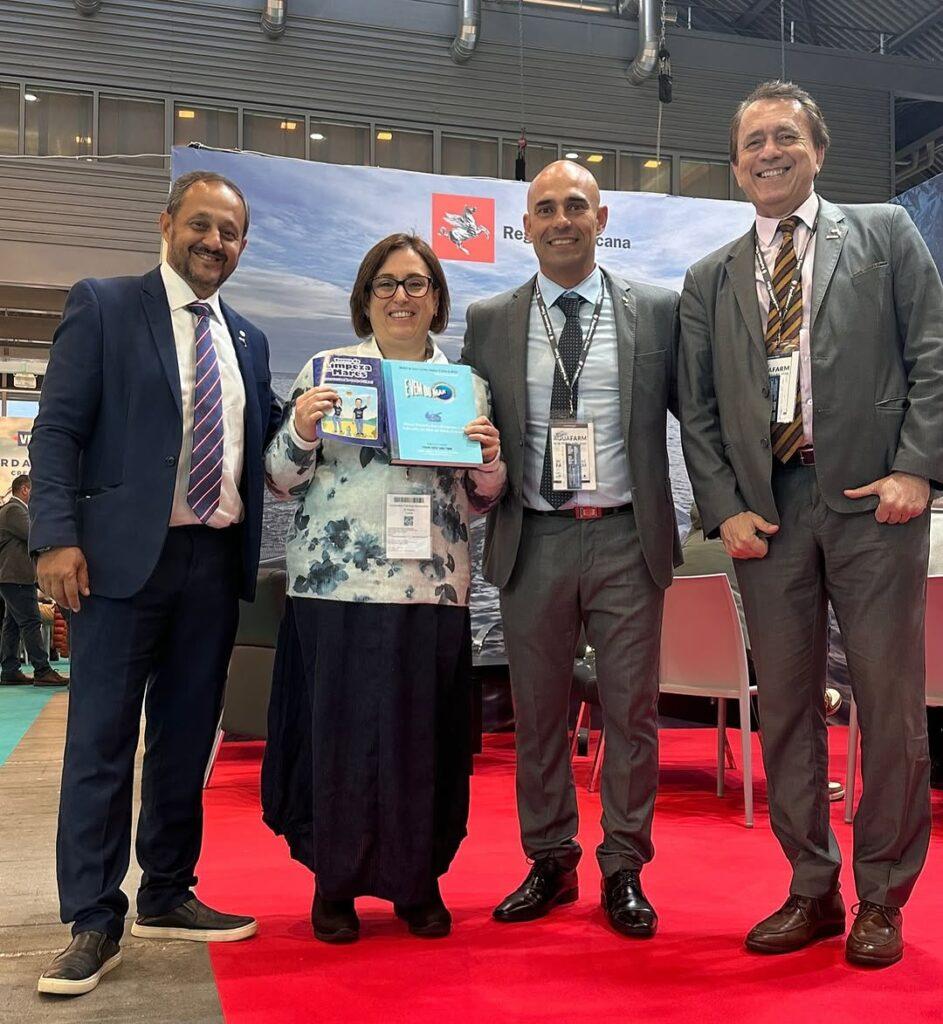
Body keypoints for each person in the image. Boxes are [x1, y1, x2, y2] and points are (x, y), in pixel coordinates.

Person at [679, 80, 943, 968]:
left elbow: (933, 351)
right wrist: (724, 510)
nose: (767, 153)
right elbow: (699, 409)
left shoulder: (883, 235)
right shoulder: (708, 277)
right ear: (735, 163)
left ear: (817, 151)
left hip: (876, 502)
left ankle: (881, 896)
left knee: (890, 703)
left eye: (784, 137)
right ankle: (809, 887)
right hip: (769, 519)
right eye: (751, 142)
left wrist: (915, 467)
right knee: (787, 711)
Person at [29, 170, 282, 996]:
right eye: (202, 226)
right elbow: (59, 430)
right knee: (99, 741)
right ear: (166, 223)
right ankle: (93, 918)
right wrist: (55, 537)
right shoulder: (104, 304)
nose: (215, 243)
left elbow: (273, 438)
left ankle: (167, 892)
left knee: (184, 741)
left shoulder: (248, 340)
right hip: (114, 565)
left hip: (211, 566)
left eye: (231, 233)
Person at [261, 233, 506, 943]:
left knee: (420, 741)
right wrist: (301, 431)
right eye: (387, 284)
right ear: (365, 298)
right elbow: (279, 479)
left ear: (436, 299)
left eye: (417, 283)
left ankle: (415, 881)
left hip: (429, 590)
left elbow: (482, 499)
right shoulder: (323, 371)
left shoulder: (466, 386)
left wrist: (488, 460)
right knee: (333, 740)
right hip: (333, 587)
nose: (402, 296)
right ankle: (332, 884)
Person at [462, 161, 681, 938]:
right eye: (545, 208)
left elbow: (703, 418)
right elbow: (469, 433)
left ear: (600, 216)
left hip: (627, 536)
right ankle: (550, 859)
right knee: (540, 713)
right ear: (526, 224)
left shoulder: (657, 311)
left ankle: (623, 866)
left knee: (632, 714)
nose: (560, 220)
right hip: (534, 537)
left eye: (575, 207)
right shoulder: (489, 319)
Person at [0, 474, 66, 686]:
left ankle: (10, 669)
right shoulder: (14, 510)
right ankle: (42, 670)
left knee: (12, 624)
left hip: (12, 576)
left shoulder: (13, 510)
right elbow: (34, 535)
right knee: (31, 621)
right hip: (16, 576)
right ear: (26, 490)